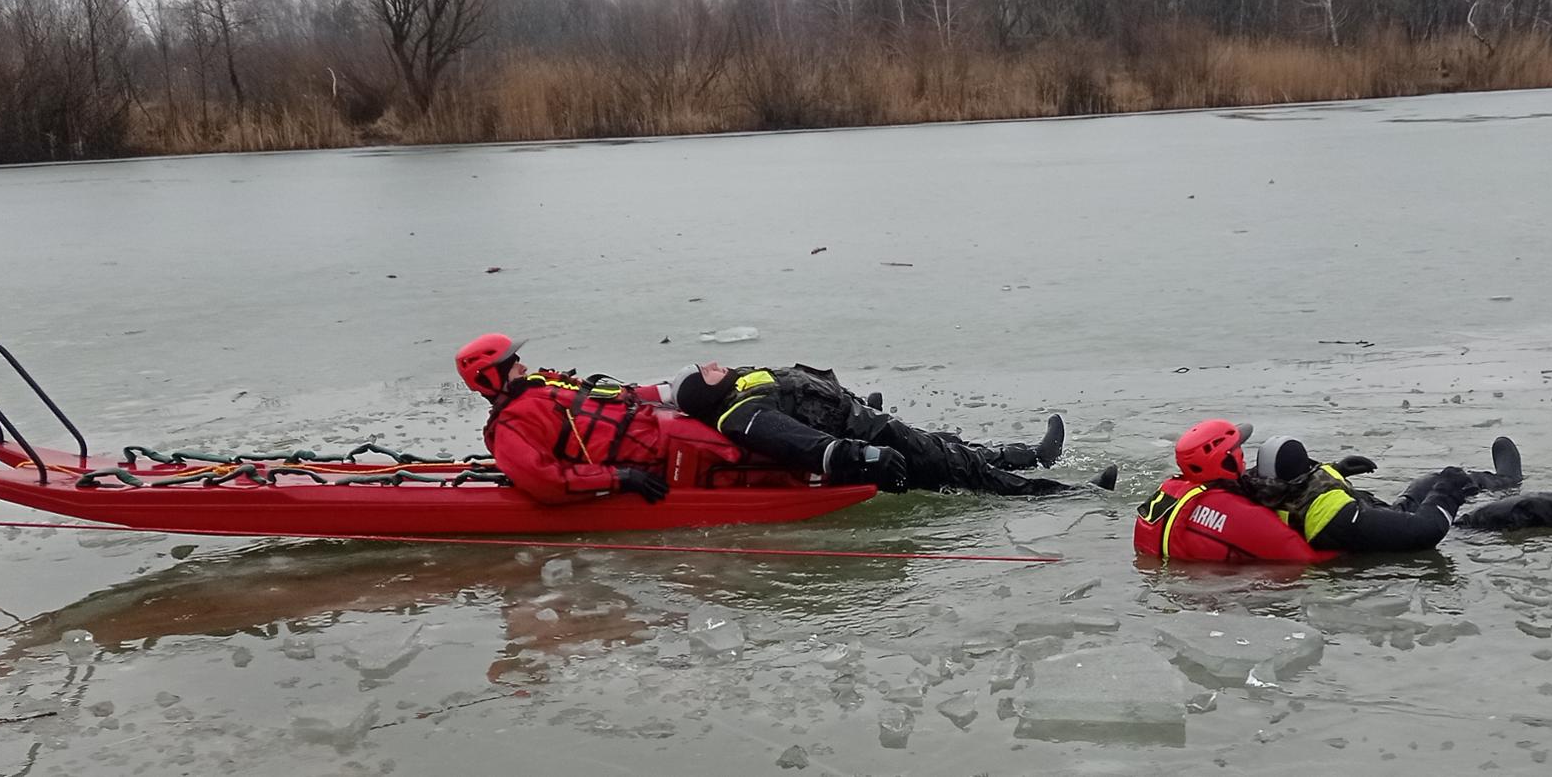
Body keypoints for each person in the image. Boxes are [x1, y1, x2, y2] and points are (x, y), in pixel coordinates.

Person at [1134, 419, 1552, 563]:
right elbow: (1427, 535)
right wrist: (1445, 497)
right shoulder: (1324, 515)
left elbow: (1276, 485)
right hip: (1402, 536)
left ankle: (1504, 474)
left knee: (1429, 480)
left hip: (1364, 515)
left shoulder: (1232, 488)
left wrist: (1333, 469)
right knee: (1526, 511)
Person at [664, 361, 1107, 496]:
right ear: (706, 394)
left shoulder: (742, 383)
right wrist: (861, 456)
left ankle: (1035, 455)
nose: (710, 364)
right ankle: (1069, 494)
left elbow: (808, 393)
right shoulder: (742, 414)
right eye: (702, 371)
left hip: (868, 422)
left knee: (949, 446)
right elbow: (801, 442)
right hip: (869, 441)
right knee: (964, 469)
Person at [457, 333, 739, 505]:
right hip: (666, 454)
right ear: (489, 378)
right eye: (513, 364)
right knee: (752, 459)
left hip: (666, 425)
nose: (523, 365)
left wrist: (667, 391)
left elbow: (609, 396)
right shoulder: (509, 430)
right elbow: (549, 483)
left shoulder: (542, 386)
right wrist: (621, 478)